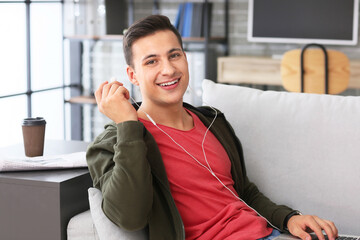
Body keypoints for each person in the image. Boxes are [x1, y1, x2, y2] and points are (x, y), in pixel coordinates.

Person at [86, 15, 338, 240]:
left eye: (174, 55)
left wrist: (289, 218)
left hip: (267, 234)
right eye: (151, 61)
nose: (169, 69)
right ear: (132, 75)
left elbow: (244, 192)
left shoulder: (212, 121)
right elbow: (130, 217)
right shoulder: (113, 142)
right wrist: (127, 124)